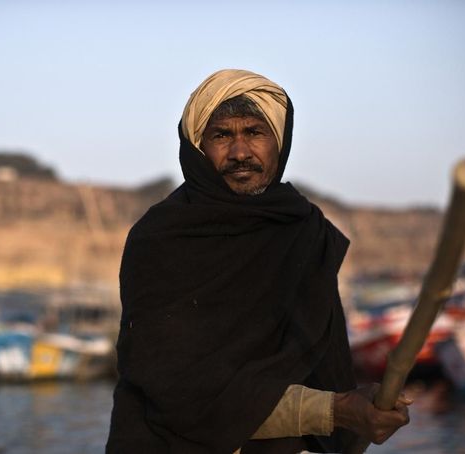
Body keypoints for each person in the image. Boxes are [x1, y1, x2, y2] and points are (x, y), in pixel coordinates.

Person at [106, 69, 410, 454]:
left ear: (278, 142)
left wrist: (361, 414)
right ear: (198, 147)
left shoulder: (304, 230)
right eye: (221, 136)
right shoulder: (161, 238)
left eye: (254, 132)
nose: (240, 152)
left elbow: (325, 367)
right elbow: (181, 391)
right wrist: (336, 411)